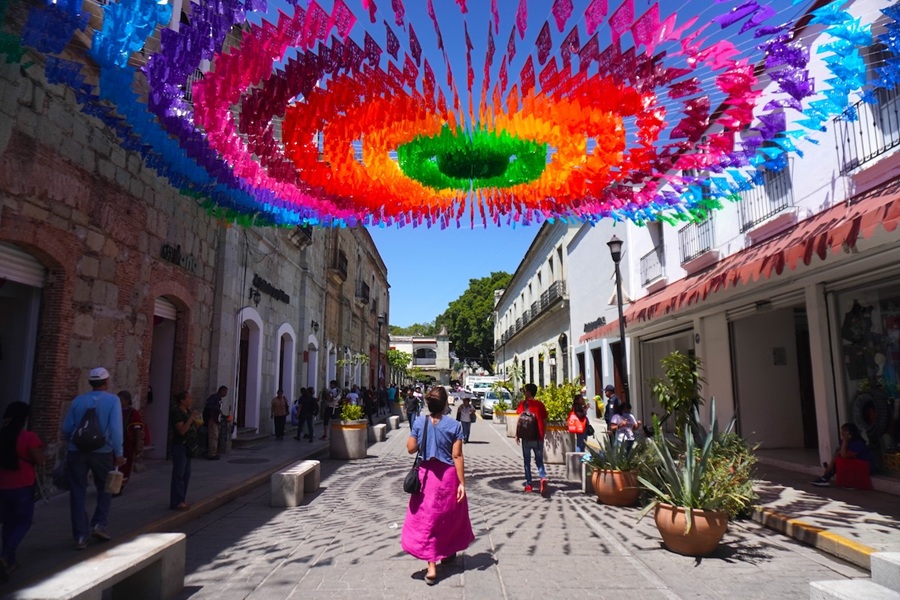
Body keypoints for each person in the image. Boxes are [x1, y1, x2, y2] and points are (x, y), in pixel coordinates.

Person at [401, 386, 474, 585]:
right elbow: (457, 455)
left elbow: (410, 449)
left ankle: (431, 565)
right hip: (447, 478)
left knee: (427, 519)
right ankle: (446, 551)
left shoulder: (420, 422)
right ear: (444, 405)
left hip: (426, 478)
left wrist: (423, 437)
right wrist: (462, 483)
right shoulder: (454, 426)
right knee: (448, 516)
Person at [61, 367, 125, 550]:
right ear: (106, 382)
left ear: (90, 383)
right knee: (105, 488)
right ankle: (99, 524)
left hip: (77, 450)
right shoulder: (112, 400)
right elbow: (116, 429)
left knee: (77, 491)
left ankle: (80, 535)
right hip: (102, 451)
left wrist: (74, 442)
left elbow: (67, 428)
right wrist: (119, 452)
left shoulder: (78, 401)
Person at [0, 402, 45, 581]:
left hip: (3, 485)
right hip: (23, 485)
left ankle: (10, 562)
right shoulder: (28, 437)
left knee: (8, 523)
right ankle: (5, 555)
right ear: (25, 418)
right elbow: (40, 460)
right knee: (23, 522)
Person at [516, 383, 549, 495]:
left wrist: (517, 435)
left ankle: (529, 484)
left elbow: (519, 420)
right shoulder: (540, 405)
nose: (524, 393)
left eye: (525, 391)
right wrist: (542, 435)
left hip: (526, 438)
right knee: (539, 461)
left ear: (529, 392)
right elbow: (544, 421)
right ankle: (542, 477)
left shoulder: (523, 404)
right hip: (538, 437)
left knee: (527, 462)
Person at [170, 391, 200, 511]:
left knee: (186, 474)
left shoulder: (187, 411)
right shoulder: (177, 412)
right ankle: (177, 501)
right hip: (180, 445)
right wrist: (191, 418)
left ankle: (182, 499)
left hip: (189, 445)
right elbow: (181, 430)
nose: (191, 400)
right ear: (182, 400)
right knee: (179, 473)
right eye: (189, 398)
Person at [117, 390, 146, 495]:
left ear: (127, 400)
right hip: (116, 441)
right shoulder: (116, 411)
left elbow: (137, 429)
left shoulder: (133, 413)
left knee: (125, 465)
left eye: (121, 400)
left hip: (127, 443)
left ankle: (119, 486)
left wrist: (138, 444)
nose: (119, 402)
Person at [203, 385, 228, 460]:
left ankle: (214, 452)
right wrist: (216, 410)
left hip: (217, 420)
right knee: (213, 436)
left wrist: (224, 417)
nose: (226, 394)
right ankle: (211, 454)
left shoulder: (219, 399)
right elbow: (209, 406)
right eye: (225, 392)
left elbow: (218, 411)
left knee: (215, 436)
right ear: (221, 391)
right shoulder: (214, 398)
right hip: (212, 420)